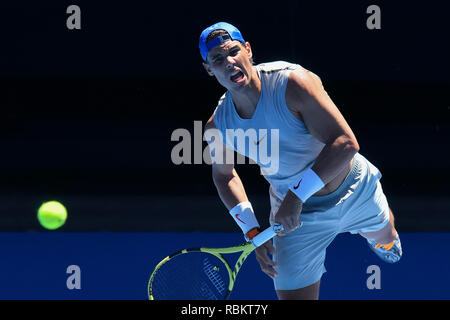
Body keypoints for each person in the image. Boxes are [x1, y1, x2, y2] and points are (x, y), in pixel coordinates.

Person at [200, 22, 402, 300]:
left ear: (248, 50)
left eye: (234, 51)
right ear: (209, 69)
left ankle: (381, 237)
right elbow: (224, 176)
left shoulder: (292, 83)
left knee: (384, 235)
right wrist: (252, 231)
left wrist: (295, 197)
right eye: (218, 60)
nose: (230, 62)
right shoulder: (218, 126)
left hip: (353, 187)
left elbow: (345, 144)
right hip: (296, 220)